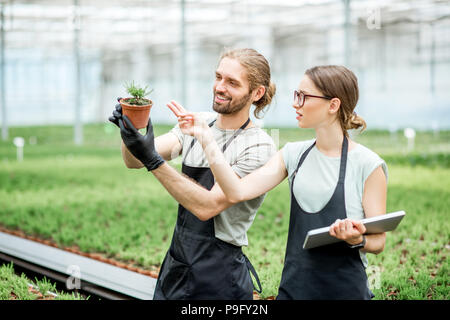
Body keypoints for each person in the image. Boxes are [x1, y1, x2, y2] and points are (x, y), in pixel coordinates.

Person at [170, 65, 388, 300]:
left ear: (333, 105)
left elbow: (378, 241)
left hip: (347, 293)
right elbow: (236, 192)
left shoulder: (368, 165)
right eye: (297, 95)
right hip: (293, 290)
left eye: (304, 97)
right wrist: (206, 139)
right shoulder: (293, 155)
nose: (296, 103)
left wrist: (357, 239)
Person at [109, 48, 277, 300]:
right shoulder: (199, 122)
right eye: (218, 77)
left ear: (257, 93)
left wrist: (154, 161)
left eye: (232, 82)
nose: (220, 87)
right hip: (177, 265)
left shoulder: (258, 145)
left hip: (219, 275)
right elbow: (134, 160)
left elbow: (207, 206)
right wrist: (131, 131)